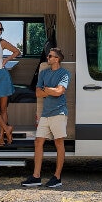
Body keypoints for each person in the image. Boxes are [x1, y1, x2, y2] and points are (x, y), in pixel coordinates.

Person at [21, 47, 70, 188]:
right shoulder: (43, 72)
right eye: (48, 56)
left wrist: (47, 90)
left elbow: (60, 91)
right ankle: (36, 177)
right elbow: (37, 93)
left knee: (59, 144)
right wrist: (51, 90)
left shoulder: (64, 73)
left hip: (59, 112)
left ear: (57, 59)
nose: (47, 58)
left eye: (50, 56)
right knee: (38, 142)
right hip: (45, 114)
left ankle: (57, 177)